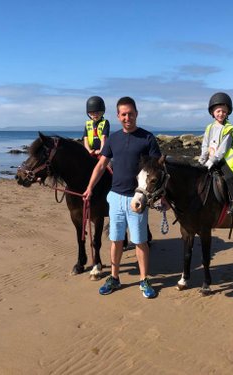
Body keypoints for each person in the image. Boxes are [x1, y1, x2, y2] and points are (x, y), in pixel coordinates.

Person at [83, 97, 161, 299]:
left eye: (131, 113)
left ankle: (144, 280)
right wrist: (90, 187)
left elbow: (157, 169)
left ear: (137, 113)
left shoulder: (147, 138)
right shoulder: (113, 139)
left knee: (140, 242)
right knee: (116, 240)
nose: (128, 117)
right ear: (118, 116)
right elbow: (101, 165)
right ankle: (114, 278)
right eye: (123, 114)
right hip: (116, 197)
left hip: (137, 198)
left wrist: (163, 197)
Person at [198, 92, 233, 216]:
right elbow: (205, 144)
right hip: (210, 158)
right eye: (218, 111)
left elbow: (223, 148)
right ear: (212, 112)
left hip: (224, 160)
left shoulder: (229, 128)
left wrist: (213, 160)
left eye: (224, 111)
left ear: (227, 112)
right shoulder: (209, 128)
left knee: (229, 177)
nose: (221, 114)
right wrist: (203, 158)